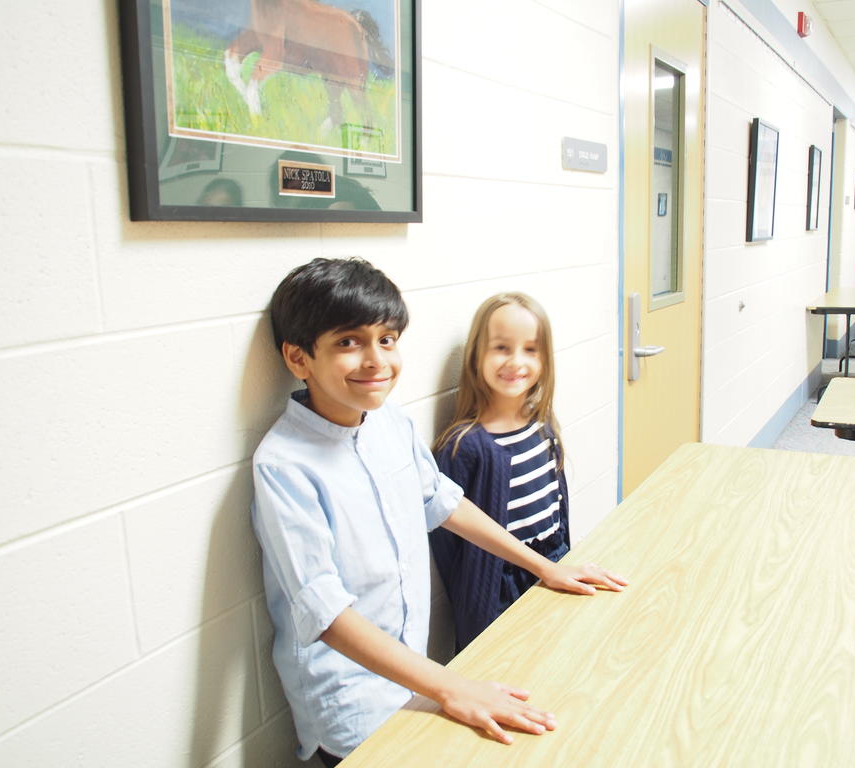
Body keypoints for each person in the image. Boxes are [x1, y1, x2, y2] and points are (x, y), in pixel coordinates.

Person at [251, 258, 627, 765]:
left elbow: (443, 502)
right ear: (299, 358)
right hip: (349, 704)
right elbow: (326, 614)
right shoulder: (284, 465)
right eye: (348, 342)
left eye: (387, 339)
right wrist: (454, 688)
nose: (376, 360)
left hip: (418, 678)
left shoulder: (389, 423)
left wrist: (546, 567)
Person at [430, 293, 581, 652]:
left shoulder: (542, 426)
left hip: (554, 563)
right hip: (498, 592)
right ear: (476, 356)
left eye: (530, 349)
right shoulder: (462, 447)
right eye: (501, 348)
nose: (516, 361)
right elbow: (449, 545)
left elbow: (556, 512)